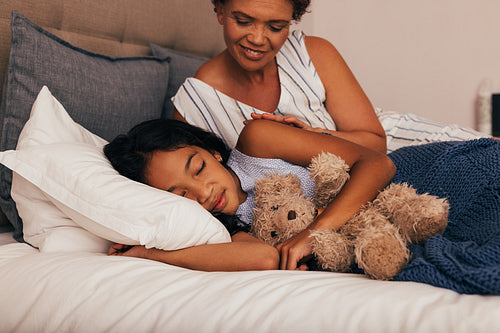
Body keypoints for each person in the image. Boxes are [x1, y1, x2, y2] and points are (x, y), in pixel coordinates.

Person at [104, 118, 396, 271]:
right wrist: (149, 254)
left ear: (213, 152)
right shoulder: (223, 232)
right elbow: (266, 259)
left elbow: (378, 163)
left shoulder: (258, 142)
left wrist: (314, 232)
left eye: (199, 168)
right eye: (181, 195)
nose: (204, 192)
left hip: (399, 187)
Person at [172, 0, 388, 153]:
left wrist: (311, 136)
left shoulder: (314, 53)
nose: (257, 39)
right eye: (243, 21)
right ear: (220, 11)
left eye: (275, 27)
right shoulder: (195, 105)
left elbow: (377, 143)